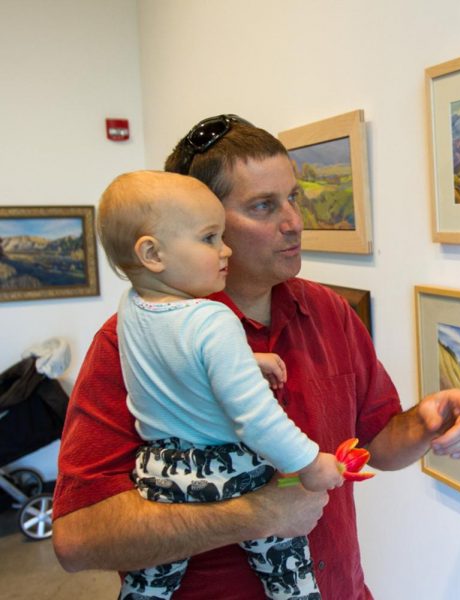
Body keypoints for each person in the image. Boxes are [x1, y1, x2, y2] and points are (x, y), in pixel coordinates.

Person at [52, 114, 460, 600]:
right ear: (202, 222)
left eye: (293, 197)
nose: (293, 221)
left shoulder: (329, 312)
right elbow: (78, 540)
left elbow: (378, 445)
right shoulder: (129, 341)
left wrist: (424, 424)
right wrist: (257, 515)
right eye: (263, 205)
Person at [97, 171, 346, 600]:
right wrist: (310, 462)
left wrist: (243, 361)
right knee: (287, 563)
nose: (225, 248)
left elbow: (173, 360)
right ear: (153, 253)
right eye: (210, 238)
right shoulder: (214, 319)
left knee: (149, 584)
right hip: (226, 469)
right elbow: (256, 420)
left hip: (158, 473)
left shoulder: (131, 308)